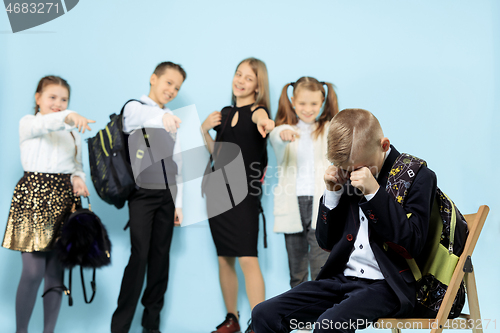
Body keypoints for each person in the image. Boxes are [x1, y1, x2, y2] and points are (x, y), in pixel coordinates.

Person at [252, 108, 437, 333]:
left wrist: (374, 194)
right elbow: (326, 243)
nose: (352, 174)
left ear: (384, 145)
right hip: (342, 277)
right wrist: (331, 194)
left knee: (328, 327)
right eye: (347, 170)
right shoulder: (347, 172)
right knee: (264, 314)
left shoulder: (418, 175)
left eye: (360, 168)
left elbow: (413, 244)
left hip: (387, 285)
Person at [2, 75, 94, 333]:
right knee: (32, 272)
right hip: (34, 197)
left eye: (64, 99)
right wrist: (69, 115)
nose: (58, 103)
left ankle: (48, 331)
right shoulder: (29, 123)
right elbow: (47, 123)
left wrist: (78, 180)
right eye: (52, 97)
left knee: (55, 273)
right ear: (38, 98)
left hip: (65, 199)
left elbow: (76, 166)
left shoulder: (72, 132)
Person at [111, 61, 186, 333]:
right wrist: (163, 118)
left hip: (167, 195)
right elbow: (140, 118)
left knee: (160, 259)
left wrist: (179, 203)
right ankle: (119, 327)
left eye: (177, 87)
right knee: (139, 256)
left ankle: (151, 326)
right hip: (142, 195)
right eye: (168, 83)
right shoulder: (134, 107)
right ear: (153, 78)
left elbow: (177, 162)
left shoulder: (171, 117)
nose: (172, 90)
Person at [201, 57, 275, 333]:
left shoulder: (258, 111)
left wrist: (266, 122)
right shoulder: (224, 111)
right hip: (217, 192)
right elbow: (217, 154)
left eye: (249, 78)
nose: (241, 81)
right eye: (238, 74)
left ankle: (259, 324)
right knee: (224, 258)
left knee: (247, 257)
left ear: (258, 86)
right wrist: (203, 130)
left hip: (244, 192)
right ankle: (231, 318)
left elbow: (261, 118)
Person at [269, 77, 338, 289]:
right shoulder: (283, 130)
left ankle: (321, 320)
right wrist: (283, 133)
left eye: (314, 104)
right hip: (293, 204)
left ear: (323, 102)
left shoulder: (328, 129)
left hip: (321, 204)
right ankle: (298, 320)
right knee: (296, 271)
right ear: (292, 101)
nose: (308, 109)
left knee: (321, 269)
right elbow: (275, 138)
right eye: (302, 104)